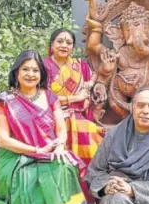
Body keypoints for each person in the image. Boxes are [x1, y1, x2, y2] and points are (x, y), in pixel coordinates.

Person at [0, 50, 88, 204]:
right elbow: (2, 140)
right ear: (17, 72)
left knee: (64, 167)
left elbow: (61, 129)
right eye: (26, 69)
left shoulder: (50, 96)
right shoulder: (5, 100)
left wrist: (61, 145)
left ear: (41, 74)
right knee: (27, 181)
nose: (31, 74)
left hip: (50, 150)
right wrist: (37, 150)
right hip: (16, 157)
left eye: (35, 70)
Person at [43, 28, 104, 165]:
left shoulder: (79, 65)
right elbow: (45, 98)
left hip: (78, 115)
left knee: (95, 140)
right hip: (52, 116)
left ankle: (88, 178)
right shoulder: (43, 66)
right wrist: (76, 98)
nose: (64, 45)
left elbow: (93, 74)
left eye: (68, 43)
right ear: (52, 45)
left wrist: (89, 84)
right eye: (60, 41)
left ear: (72, 47)